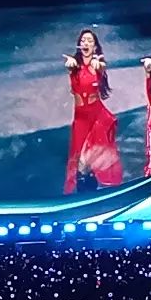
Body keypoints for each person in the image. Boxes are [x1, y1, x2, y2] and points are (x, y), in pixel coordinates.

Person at [62, 29, 123, 194]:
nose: (85, 43)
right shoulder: (74, 66)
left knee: (84, 162)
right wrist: (70, 65)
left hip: (96, 118)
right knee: (82, 165)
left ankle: (90, 194)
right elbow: (70, 65)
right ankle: (88, 193)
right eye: (83, 41)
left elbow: (100, 66)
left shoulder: (98, 65)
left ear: (95, 47)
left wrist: (98, 65)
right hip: (80, 120)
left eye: (89, 41)